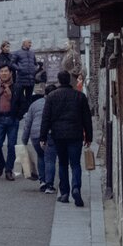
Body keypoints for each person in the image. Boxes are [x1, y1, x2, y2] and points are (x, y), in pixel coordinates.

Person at [41, 69, 93, 208]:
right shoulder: (79, 96)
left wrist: (43, 137)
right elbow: (87, 118)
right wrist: (89, 136)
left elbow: (46, 118)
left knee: (63, 163)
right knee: (75, 164)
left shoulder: (52, 96)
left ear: (58, 80)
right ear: (70, 80)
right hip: (75, 134)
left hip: (58, 135)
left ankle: (64, 193)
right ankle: (76, 188)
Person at [19, 84, 53, 192]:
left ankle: (42, 181)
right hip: (49, 134)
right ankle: (49, 184)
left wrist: (24, 140)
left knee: (41, 156)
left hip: (35, 135)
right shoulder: (55, 102)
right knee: (50, 159)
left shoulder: (34, 104)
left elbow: (28, 123)